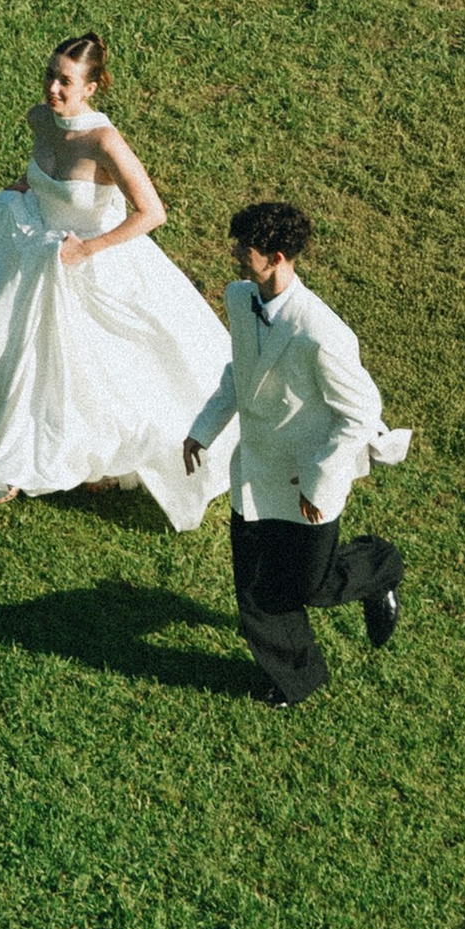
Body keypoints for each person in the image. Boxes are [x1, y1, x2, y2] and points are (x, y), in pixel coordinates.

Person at [0, 32, 233, 529]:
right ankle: (27, 432)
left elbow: (152, 213)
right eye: (50, 75)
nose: (52, 88)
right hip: (38, 252)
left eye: (65, 81)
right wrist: (17, 193)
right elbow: (41, 174)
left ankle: (94, 455)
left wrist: (86, 250)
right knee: (26, 351)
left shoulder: (104, 142)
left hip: (92, 261)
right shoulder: (39, 119)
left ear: (92, 88)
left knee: (98, 368)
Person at [180, 199, 411, 706]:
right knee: (260, 591)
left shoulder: (320, 332)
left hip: (306, 481)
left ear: (278, 256)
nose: (236, 254)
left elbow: (362, 410)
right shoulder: (241, 299)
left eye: (247, 247)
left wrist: (320, 482)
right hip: (256, 470)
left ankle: (379, 566)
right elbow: (238, 372)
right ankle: (296, 679)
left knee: (312, 585)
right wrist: (204, 429)